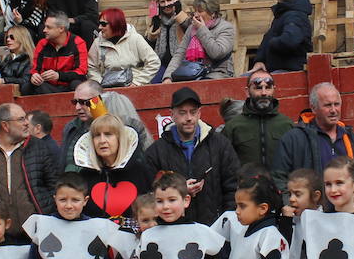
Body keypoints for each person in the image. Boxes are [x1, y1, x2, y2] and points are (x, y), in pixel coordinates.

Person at [145, 87, 241, 226]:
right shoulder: (156, 151)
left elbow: (234, 186)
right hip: (172, 229)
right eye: (182, 113)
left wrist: (225, 223)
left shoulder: (220, 144)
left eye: (193, 112)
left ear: (199, 113)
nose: (189, 118)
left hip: (214, 228)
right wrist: (179, 190)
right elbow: (149, 193)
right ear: (172, 114)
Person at [0, 103, 57, 233]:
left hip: (37, 232)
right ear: (5, 125)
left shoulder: (39, 147)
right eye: (21, 119)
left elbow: (53, 184)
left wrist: (48, 215)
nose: (26, 123)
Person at [272, 82, 354, 188]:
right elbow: (279, 178)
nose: (333, 110)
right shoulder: (293, 139)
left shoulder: (353, 139)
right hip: (311, 204)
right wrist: (291, 202)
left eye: (336, 104)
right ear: (313, 108)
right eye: (327, 105)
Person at [73, 114, 155, 226]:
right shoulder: (85, 175)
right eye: (97, 135)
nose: (102, 140)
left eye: (108, 134)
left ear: (120, 138)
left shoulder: (140, 171)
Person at [220, 70, 293, 170]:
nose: (263, 93)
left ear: (274, 90)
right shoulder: (233, 127)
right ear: (247, 91)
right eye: (258, 88)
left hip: (279, 184)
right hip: (246, 185)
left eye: (268, 88)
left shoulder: (287, 125)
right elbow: (222, 163)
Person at [165, 0, 236, 81]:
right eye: (195, 11)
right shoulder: (192, 28)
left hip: (217, 73)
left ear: (213, 13)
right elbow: (180, 54)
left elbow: (217, 53)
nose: (196, 15)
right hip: (192, 72)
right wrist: (168, 77)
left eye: (200, 11)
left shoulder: (226, 28)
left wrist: (201, 29)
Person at [251, 0, 313, 74]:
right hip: (277, 67)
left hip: (290, 70)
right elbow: (269, 36)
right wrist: (260, 60)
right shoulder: (284, 13)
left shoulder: (294, 17)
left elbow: (290, 40)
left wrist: (271, 44)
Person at [88, 8, 160, 87]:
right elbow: (91, 67)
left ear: (115, 24)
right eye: (99, 23)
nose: (99, 27)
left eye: (103, 24)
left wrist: (137, 82)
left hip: (134, 86)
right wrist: (100, 83)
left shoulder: (135, 38)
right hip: (107, 86)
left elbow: (154, 62)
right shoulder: (97, 42)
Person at [25, 12, 88, 95]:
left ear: (61, 29)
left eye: (48, 27)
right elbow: (35, 69)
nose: (44, 30)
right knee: (28, 86)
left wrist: (59, 76)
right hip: (48, 86)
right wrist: (34, 75)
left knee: (77, 84)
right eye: (45, 27)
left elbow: (81, 71)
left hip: (69, 85)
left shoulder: (78, 42)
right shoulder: (42, 43)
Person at [146, 0, 189, 82]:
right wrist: (155, 20)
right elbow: (148, 46)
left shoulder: (185, 16)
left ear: (176, 0)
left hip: (181, 61)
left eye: (169, 0)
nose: (166, 4)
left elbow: (189, 30)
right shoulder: (155, 20)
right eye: (162, 2)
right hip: (161, 63)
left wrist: (179, 13)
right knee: (154, 82)